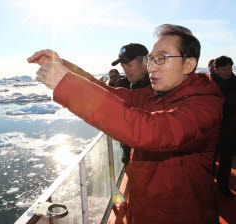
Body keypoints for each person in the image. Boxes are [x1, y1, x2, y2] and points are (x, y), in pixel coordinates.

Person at [27, 24, 224, 224]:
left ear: (188, 65)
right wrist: (65, 68)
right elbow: (109, 93)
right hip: (144, 209)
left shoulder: (205, 105)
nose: (152, 67)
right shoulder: (154, 96)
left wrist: (67, 84)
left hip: (181, 215)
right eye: (151, 59)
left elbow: (150, 132)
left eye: (161, 59)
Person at [112, 43, 151, 165]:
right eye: (123, 66)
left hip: (151, 161)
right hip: (129, 156)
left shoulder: (161, 86)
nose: (126, 70)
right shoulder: (123, 85)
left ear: (146, 61)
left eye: (129, 65)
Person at [212, 56, 236, 198]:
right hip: (212, 127)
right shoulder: (209, 84)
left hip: (230, 127)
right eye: (224, 69)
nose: (228, 72)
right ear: (216, 70)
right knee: (209, 159)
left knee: (226, 159)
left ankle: (223, 185)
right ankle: (206, 186)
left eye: (230, 69)